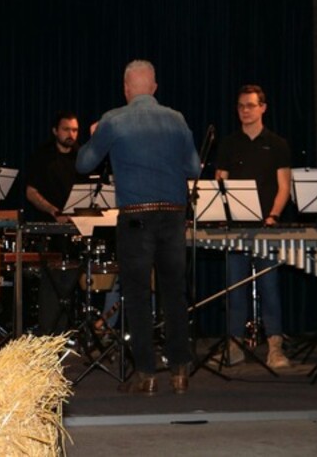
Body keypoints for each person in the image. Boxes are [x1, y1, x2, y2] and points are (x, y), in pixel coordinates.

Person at [76, 60, 200, 395]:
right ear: (154, 88)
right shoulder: (177, 119)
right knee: (175, 293)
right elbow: (193, 168)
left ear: (126, 89)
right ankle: (180, 371)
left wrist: (95, 136)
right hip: (173, 217)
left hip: (135, 218)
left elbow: (84, 163)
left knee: (137, 294)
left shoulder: (113, 120)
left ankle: (146, 373)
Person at [216, 84, 293, 369]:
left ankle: (275, 347)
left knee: (269, 287)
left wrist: (273, 216)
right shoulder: (228, 143)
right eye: (240, 106)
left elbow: (284, 187)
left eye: (250, 105)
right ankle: (234, 346)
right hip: (236, 228)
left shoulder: (277, 144)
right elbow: (220, 183)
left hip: (266, 227)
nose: (245, 111)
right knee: (234, 288)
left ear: (263, 108)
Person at [25, 111, 88, 334]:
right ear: (55, 131)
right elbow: (31, 192)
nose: (71, 134)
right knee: (52, 283)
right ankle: (49, 332)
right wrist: (54, 211)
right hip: (50, 228)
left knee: (73, 280)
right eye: (66, 129)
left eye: (75, 130)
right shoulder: (42, 156)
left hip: (76, 228)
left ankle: (69, 330)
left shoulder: (82, 157)